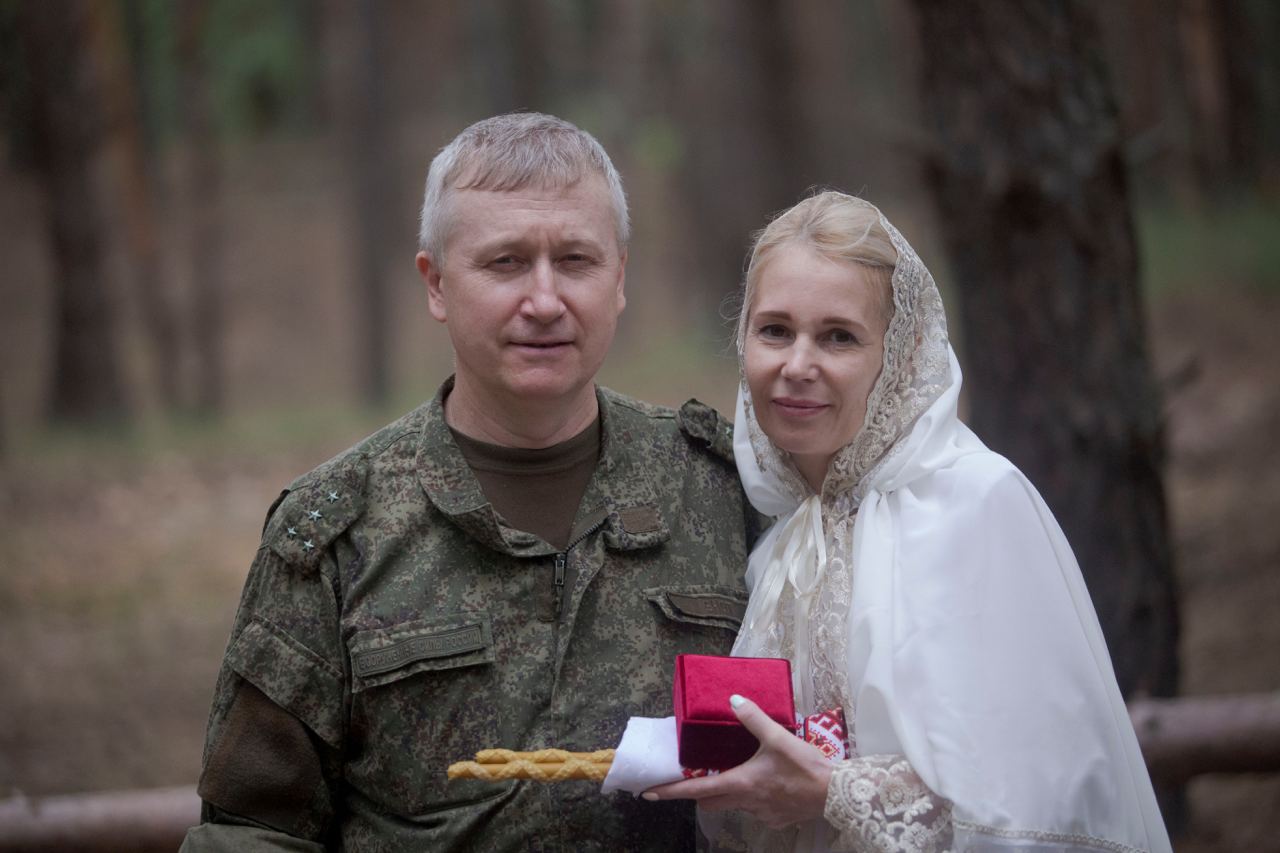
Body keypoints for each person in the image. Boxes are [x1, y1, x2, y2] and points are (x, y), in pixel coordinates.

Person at [180, 112, 761, 852]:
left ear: (620, 278)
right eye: (506, 262)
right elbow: (250, 831)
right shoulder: (337, 533)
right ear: (437, 283)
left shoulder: (722, 491)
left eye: (576, 260)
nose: (545, 300)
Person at [644, 191, 1172, 853]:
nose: (797, 365)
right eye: (775, 329)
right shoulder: (783, 540)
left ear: (900, 358)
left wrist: (834, 792)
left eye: (838, 336)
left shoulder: (978, 504)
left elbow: (1046, 802)